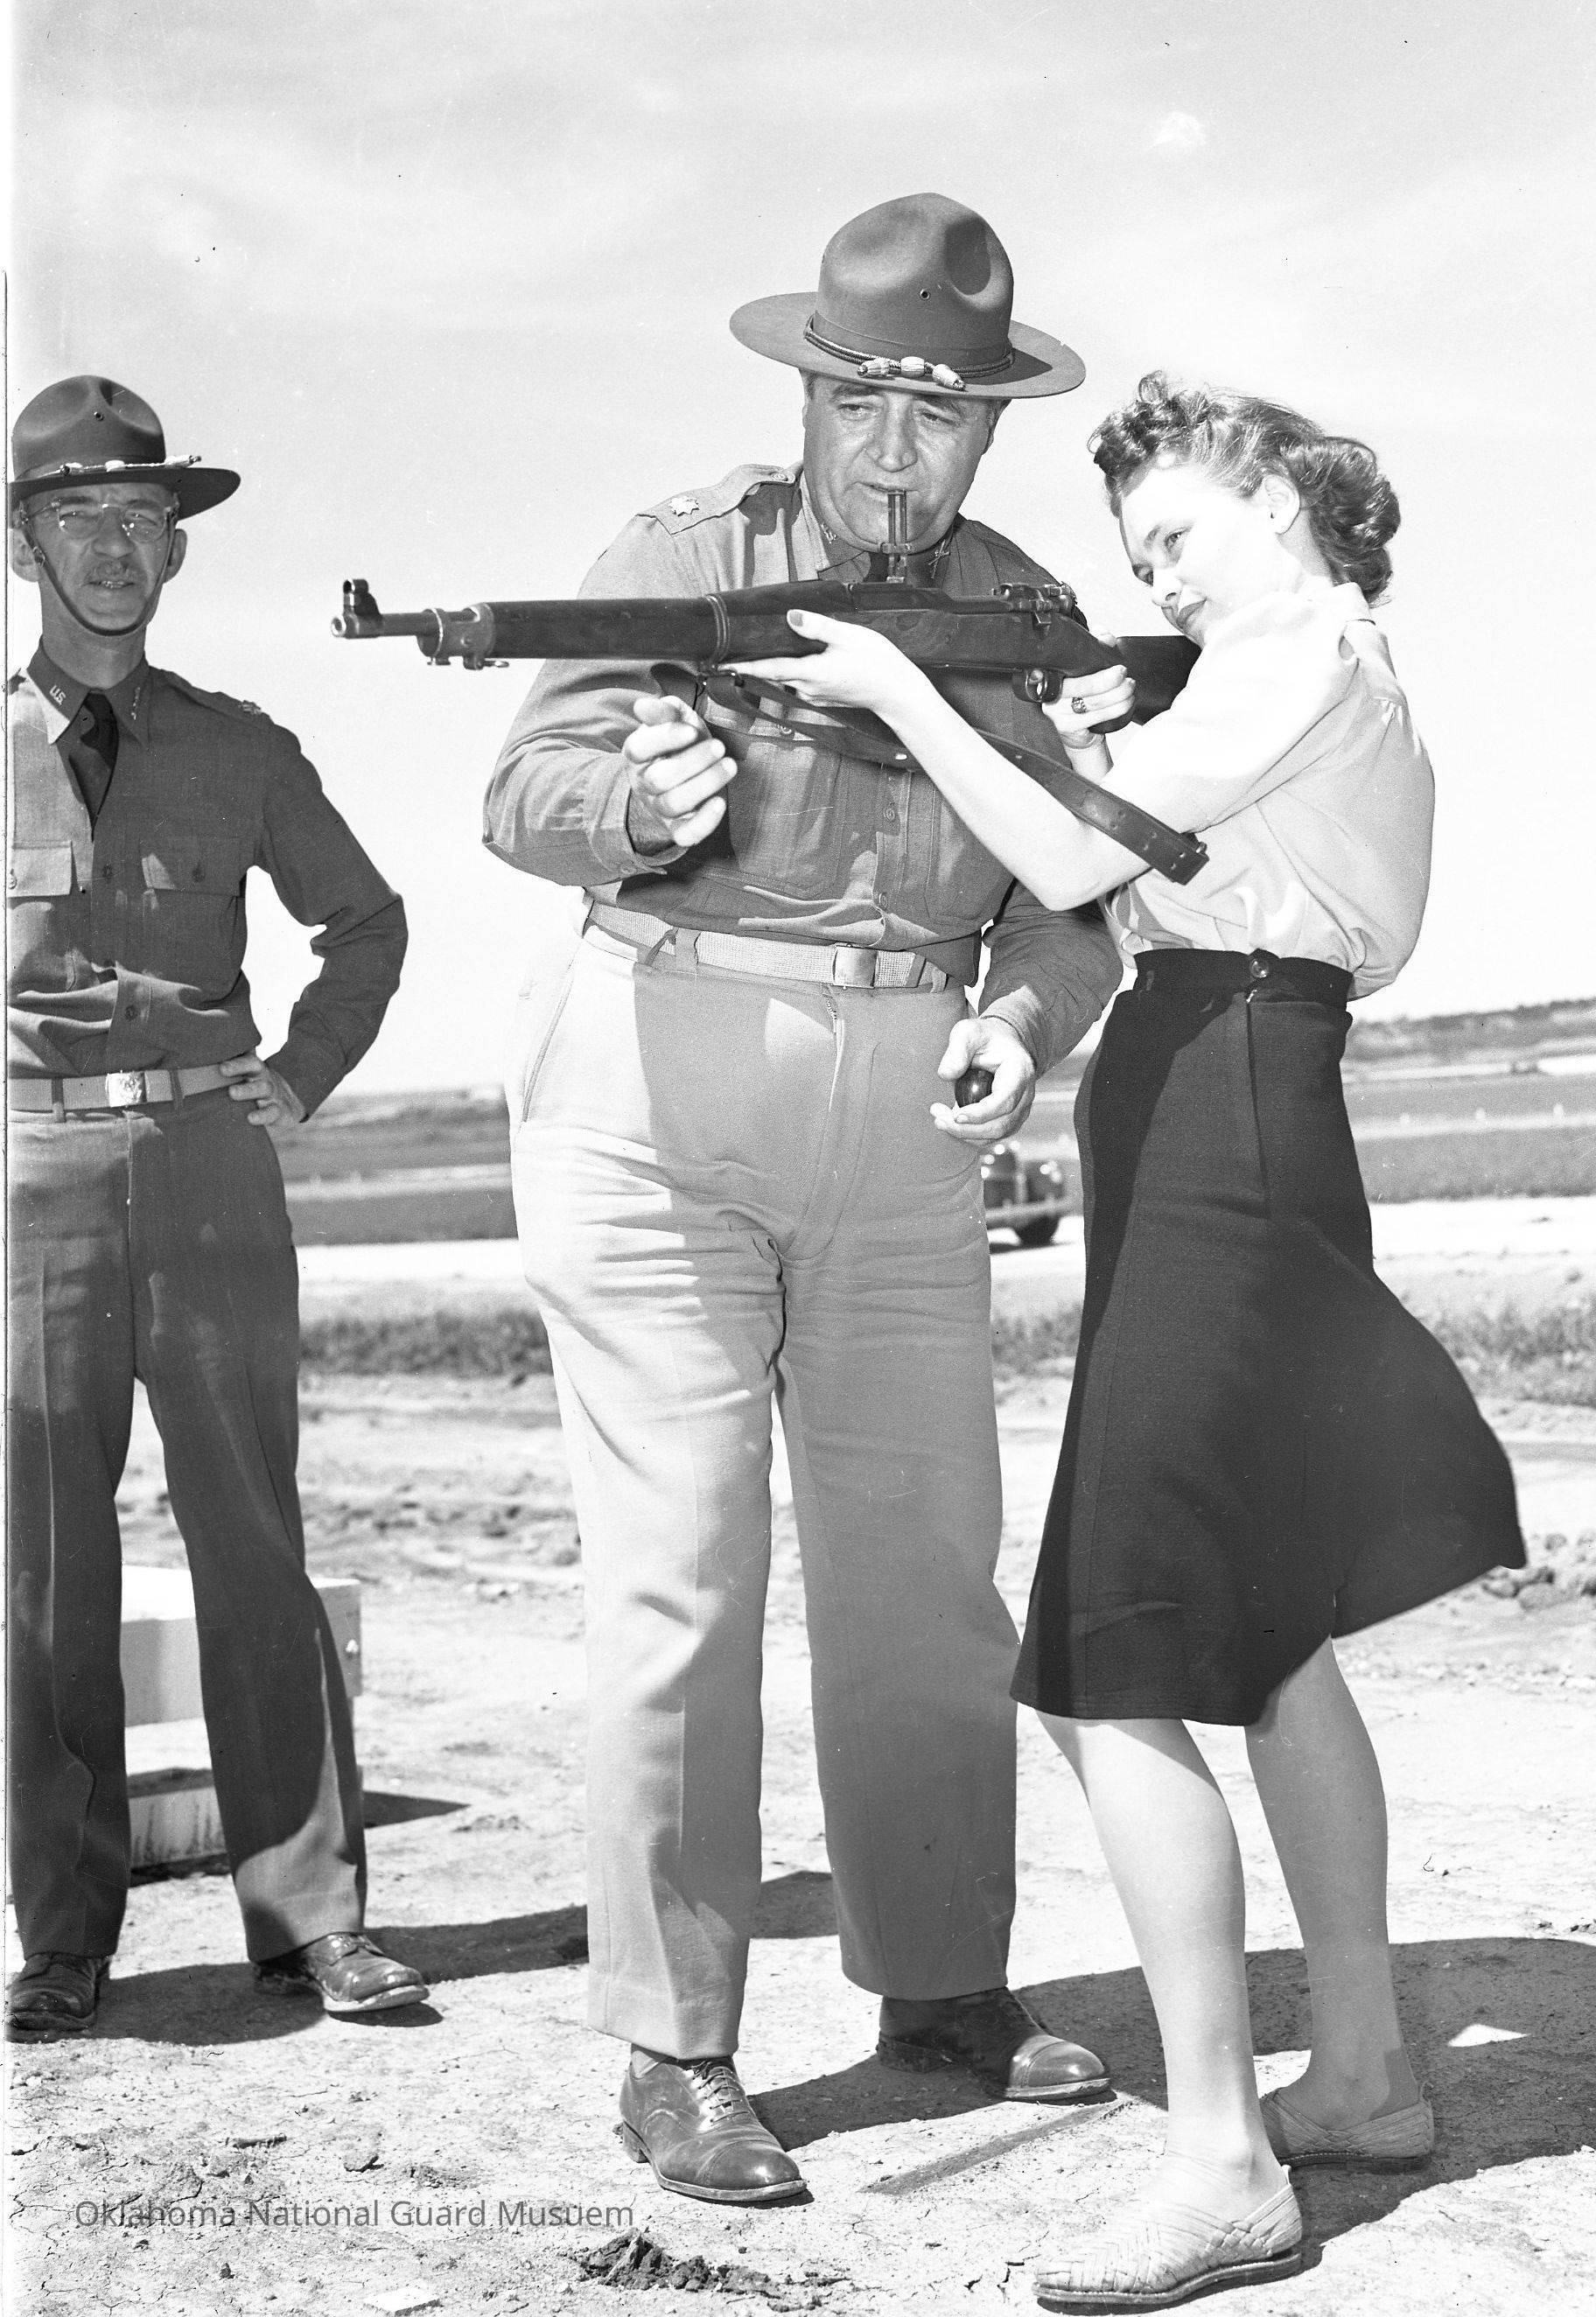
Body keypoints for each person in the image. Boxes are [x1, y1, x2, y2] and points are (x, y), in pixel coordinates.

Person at [733, 371, 1525, 2305]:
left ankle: (1223, 2162)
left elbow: (1081, 866)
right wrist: (1103, 740)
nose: (1152, 570)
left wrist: (906, 692)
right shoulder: (1282, 670)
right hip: (1226, 1080)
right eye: (1134, 549)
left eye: (1176, 529)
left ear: (1282, 493)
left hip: (1226, 1095)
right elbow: (1147, 868)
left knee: (1110, 1660)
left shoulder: (1298, 651)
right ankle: (1361, 2076)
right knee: (1267, 1634)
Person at [482, 194, 1124, 2204]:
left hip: (911, 1118)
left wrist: (1021, 1020)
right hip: (657, 1090)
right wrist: (632, 803)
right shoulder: (682, 558)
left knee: (925, 1572)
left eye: (941, 417)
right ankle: (676, 2046)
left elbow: (1080, 899)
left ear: (989, 428)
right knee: (682, 1573)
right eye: (865, 407)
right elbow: (524, 789)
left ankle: (942, 1983)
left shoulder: (1025, 614)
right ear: (810, 395)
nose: (896, 452)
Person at [5, 375, 427, 2035]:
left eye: (143, 517)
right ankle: (62, 1935)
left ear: (176, 548)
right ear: (25, 544)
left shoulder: (243, 748)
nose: (115, 547)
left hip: (210, 1174)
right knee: (43, 1568)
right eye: (78, 517)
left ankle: (311, 1917)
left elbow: (368, 925)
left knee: (253, 1537)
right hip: (30, 1190)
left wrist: (302, 1075)